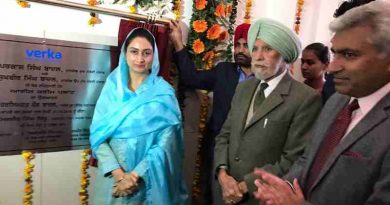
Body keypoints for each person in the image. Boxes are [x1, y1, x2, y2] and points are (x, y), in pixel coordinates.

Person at [253, 1, 390, 205]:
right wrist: (282, 189)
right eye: (335, 53)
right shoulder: (337, 101)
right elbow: (308, 159)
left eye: (349, 55)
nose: (332, 67)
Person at [213, 18, 322, 205]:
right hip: (224, 192)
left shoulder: (305, 98)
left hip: (259, 197)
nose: (258, 56)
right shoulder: (244, 88)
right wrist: (222, 175)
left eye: (267, 49)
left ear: (285, 56)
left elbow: (293, 159)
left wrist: (244, 186)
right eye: (255, 49)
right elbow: (225, 135)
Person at [89, 28, 187, 205]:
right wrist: (119, 175)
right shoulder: (112, 87)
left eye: (146, 53)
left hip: (147, 182)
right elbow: (98, 135)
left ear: (154, 56)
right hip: (113, 180)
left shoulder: (163, 93)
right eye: (134, 52)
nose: (140, 59)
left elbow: (167, 142)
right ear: (125, 54)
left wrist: (134, 176)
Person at [169, 21, 253, 204]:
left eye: (245, 45)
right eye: (237, 45)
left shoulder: (263, 78)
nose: (239, 50)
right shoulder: (224, 71)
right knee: (210, 195)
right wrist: (177, 43)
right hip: (217, 146)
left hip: (248, 152)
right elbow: (192, 78)